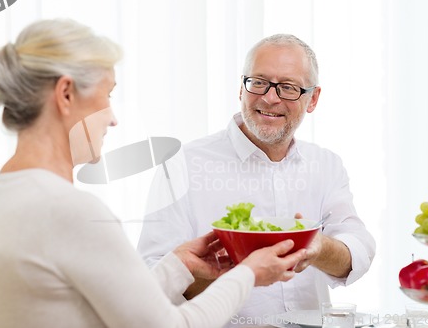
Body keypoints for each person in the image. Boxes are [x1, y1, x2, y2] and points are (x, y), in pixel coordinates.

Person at [0, 19, 308, 328]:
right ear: (66, 94)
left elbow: (123, 310)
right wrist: (249, 273)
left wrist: (179, 266)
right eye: (107, 95)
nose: (113, 118)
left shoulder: (7, 193)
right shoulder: (66, 210)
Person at [137, 34, 376, 324]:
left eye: (288, 87)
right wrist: (234, 274)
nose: (270, 98)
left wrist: (317, 247)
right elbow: (154, 279)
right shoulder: (181, 166)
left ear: (313, 99)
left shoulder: (326, 164)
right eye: (259, 82)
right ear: (241, 87)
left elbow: (358, 251)